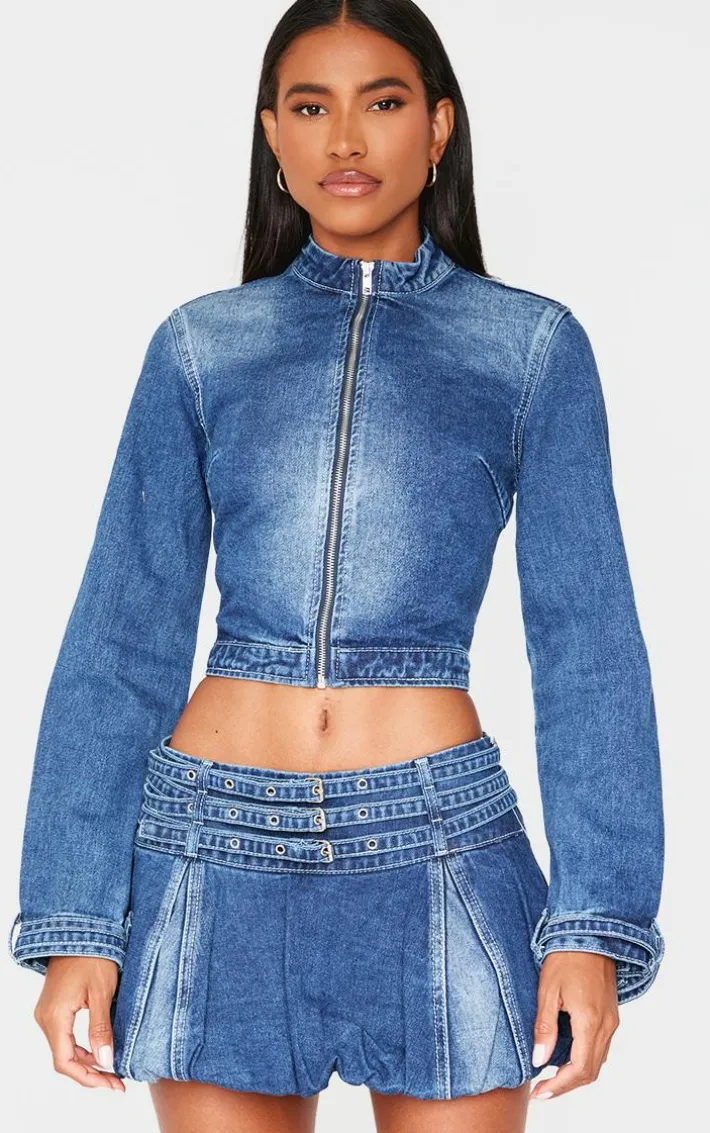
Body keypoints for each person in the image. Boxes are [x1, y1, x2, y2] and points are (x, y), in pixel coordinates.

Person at [8, 3, 665, 1132]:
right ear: (272, 132)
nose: (345, 140)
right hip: (211, 849)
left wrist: (594, 922)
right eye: (310, 107)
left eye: (383, 102)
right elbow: (121, 637)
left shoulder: (529, 348)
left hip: (441, 851)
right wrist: (76, 919)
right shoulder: (202, 345)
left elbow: (587, 643)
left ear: (438, 126)